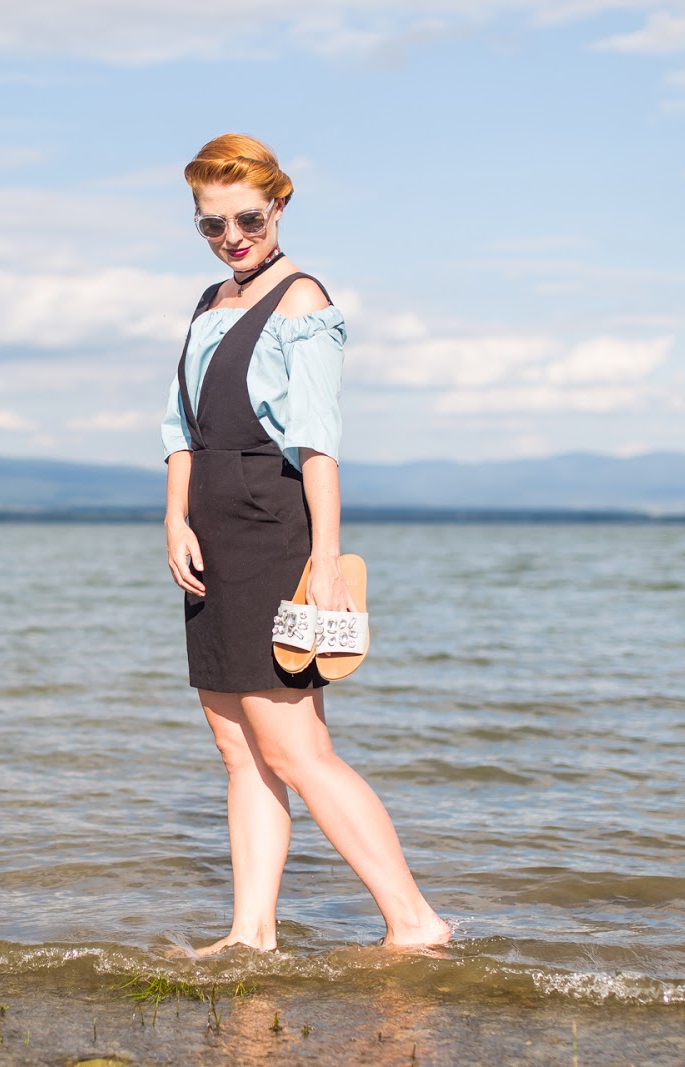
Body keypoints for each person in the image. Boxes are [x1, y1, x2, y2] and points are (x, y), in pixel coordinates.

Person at [161, 133, 450, 953]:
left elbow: (318, 445)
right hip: (210, 533)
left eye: (247, 219)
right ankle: (251, 932)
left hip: (271, 528)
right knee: (237, 746)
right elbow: (179, 428)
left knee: (297, 748)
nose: (232, 237)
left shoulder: (303, 302)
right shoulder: (208, 301)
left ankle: (415, 922)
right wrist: (175, 518)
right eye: (212, 224)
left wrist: (324, 564)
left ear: (279, 205)